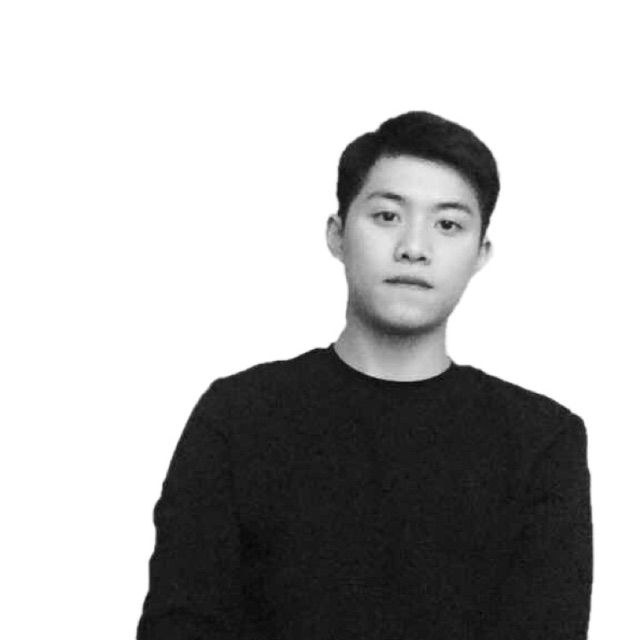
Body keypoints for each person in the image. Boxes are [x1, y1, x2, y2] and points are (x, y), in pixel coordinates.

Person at [136, 111, 593, 639]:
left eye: (448, 224)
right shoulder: (239, 416)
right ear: (337, 235)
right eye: (387, 216)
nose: (414, 248)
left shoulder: (541, 439)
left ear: (480, 253)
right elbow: (181, 622)